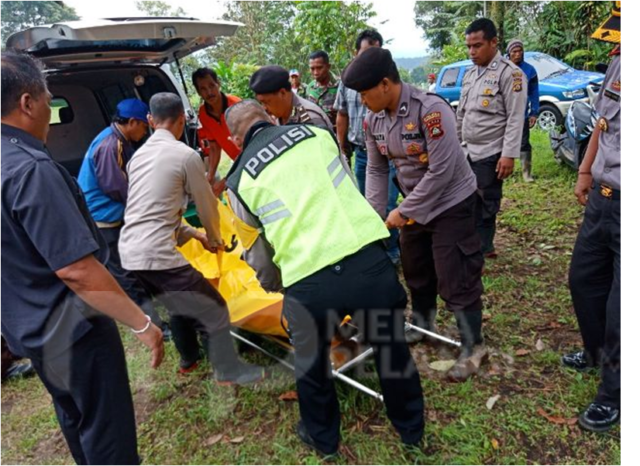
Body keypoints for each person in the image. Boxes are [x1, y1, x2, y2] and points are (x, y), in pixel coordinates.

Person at [224, 99, 425, 457]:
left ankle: (324, 440)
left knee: (312, 366)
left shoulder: (238, 180)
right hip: (366, 262)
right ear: (270, 118)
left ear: (235, 141)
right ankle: (412, 432)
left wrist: (280, 288)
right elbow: (349, 189)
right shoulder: (317, 134)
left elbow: (257, 254)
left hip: (309, 282)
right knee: (391, 350)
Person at [0, 51, 164, 465]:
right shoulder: (30, 169)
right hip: (75, 332)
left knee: (75, 416)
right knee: (107, 432)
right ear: (27, 103)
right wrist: (141, 322)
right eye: (48, 99)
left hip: (30, 329)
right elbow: (76, 269)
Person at [343, 47, 486, 381]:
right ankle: (423, 324)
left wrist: (402, 211)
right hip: (414, 208)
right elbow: (377, 170)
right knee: (416, 268)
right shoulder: (373, 119)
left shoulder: (431, 110)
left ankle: (474, 345)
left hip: (452, 203)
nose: (362, 100)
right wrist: (375, 217)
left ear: (384, 84)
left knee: (456, 276)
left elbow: (443, 171)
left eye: (365, 93)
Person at [119, 92, 265, 385]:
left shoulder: (137, 158)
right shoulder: (185, 156)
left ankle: (188, 360)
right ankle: (227, 371)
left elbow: (155, 213)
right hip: (157, 253)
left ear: (150, 120)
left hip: (129, 252)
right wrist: (214, 236)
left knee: (176, 304)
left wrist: (196, 235)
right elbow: (208, 205)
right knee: (215, 307)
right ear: (183, 119)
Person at [563, 0, 622, 433]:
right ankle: (596, 352)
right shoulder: (617, 64)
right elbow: (603, 124)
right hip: (603, 201)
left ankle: (619, 388)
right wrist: (585, 169)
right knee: (583, 282)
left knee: (624, 318)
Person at [77, 98, 171, 341]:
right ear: (131, 123)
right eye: (143, 126)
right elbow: (116, 188)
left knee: (134, 264)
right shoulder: (110, 145)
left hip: (112, 214)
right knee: (124, 274)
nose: (144, 132)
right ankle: (154, 325)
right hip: (103, 217)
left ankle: (153, 309)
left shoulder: (118, 138)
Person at [456, 18, 528, 259]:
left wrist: (509, 154)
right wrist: (456, 144)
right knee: (465, 201)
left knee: (486, 202)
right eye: (468, 46)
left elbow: (516, 117)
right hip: (466, 149)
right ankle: (471, 244)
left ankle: (483, 248)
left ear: (494, 42)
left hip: (490, 151)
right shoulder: (469, 74)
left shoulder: (511, 74)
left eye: (477, 45)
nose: (471, 51)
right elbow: (462, 113)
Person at [334, 29, 401, 265]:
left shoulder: (391, 84)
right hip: (363, 153)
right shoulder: (347, 81)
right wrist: (341, 147)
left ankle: (392, 251)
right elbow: (342, 114)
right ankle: (376, 249)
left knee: (389, 204)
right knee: (368, 203)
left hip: (391, 154)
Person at [193, 68, 242, 196]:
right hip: (237, 162)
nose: (209, 92)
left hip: (251, 160)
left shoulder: (236, 105)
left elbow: (251, 147)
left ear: (218, 84)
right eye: (203, 89)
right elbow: (214, 147)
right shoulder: (203, 114)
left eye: (211, 86)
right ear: (198, 92)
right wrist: (210, 176)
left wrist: (226, 180)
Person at [250, 66, 333, 132]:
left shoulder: (309, 119)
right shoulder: (279, 115)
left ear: (282, 93)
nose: (264, 108)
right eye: (261, 103)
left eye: (266, 102)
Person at [507, 39, 540, 182]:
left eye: (520, 51)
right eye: (514, 51)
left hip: (522, 114)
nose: (517, 54)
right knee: (502, 141)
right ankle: (504, 170)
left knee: (524, 143)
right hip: (504, 114)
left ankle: (526, 173)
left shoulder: (530, 70)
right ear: (509, 53)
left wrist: (534, 112)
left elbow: (534, 92)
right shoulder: (503, 68)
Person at [306, 51, 340, 128]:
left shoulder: (340, 86)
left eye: (319, 68)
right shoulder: (310, 87)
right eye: (312, 69)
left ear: (328, 66)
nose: (315, 72)